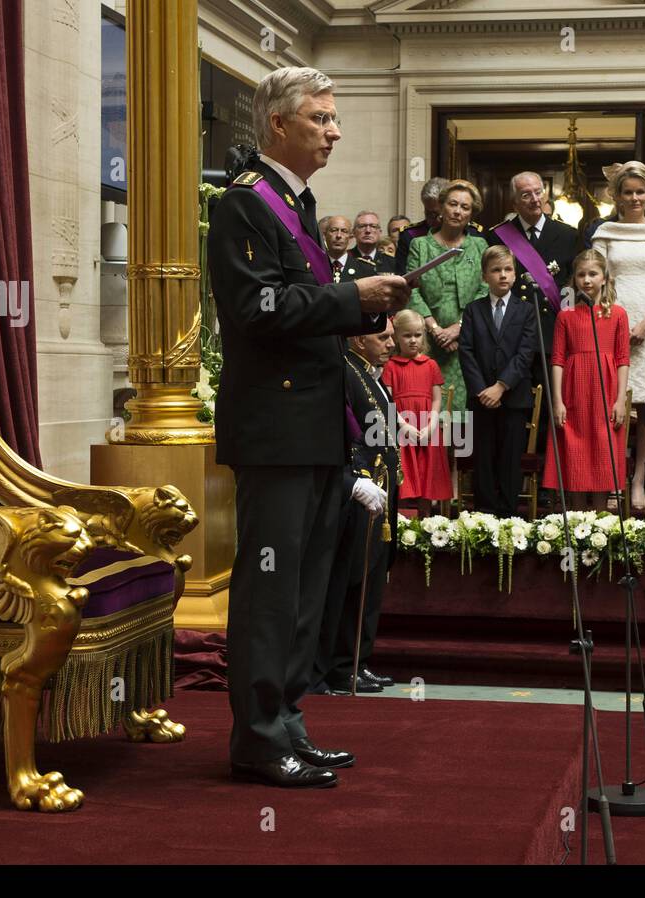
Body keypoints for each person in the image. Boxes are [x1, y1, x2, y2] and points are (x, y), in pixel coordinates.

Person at [207, 66, 410, 788]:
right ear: (278, 124)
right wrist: (346, 294)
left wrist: (368, 305)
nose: (335, 129)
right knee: (270, 589)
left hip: (319, 426)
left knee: (304, 590)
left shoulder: (294, 201)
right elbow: (256, 311)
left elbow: (307, 306)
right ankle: (258, 738)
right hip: (276, 429)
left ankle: (287, 722)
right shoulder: (244, 205)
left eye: (335, 117)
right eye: (321, 117)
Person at [314, 318, 401, 697]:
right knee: (349, 584)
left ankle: (357, 662)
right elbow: (347, 434)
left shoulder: (374, 376)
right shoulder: (346, 371)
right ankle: (338, 666)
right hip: (359, 490)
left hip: (380, 491)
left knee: (370, 580)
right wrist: (355, 480)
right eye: (383, 337)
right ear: (358, 339)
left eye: (393, 336)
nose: (391, 344)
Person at [589, 160, 645, 511]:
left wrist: (644, 324)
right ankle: (612, 477)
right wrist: (618, 323)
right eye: (628, 192)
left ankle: (638, 477)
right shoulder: (605, 233)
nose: (635, 197)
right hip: (612, 323)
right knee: (615, 403)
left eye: (641, 191)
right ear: (618, 196)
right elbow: (597, 280)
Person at [542, 249, 630, 512]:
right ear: (574, 280)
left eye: (593, 274)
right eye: (581, 274)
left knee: (603, 452)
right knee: (575, 453)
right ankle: (578, 516)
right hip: (574, 390)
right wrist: (557, 401)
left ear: (604, 278)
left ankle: (601, 520)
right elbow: (557, 359)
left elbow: (623, 358)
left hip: (605, 389)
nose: (587, 280)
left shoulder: (618, 314)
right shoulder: (565, 316)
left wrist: (620, 400)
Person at [458, 247, 539, 517]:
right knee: (484, 458)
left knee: (509, 459)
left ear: (515, 275)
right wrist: (483, 389)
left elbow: (525, 353)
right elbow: (466, 351)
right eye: (496, 270)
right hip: (481, 399)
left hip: (513, 398)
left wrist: (501, 386)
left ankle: (508, 516)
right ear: (484, 277)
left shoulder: (527, 310)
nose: (502, 275)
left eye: (507, 270)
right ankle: (484, 515)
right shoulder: (473, 310)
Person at [406, 178, 489, 410]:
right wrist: (436, 330)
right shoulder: (419, 245)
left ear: (471, 214)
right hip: (427, 341)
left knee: (463, 421)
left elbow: (485, 290)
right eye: (453, 204)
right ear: (441, 207)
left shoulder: (480, 246)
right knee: (428, 416)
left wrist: (458, 329)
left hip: (467, 343)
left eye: (465, 207)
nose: (457, 211)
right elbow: (412, 291)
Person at [487, 170, 580, 373]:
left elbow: (571, 284)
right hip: (512, 331)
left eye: (538, 192)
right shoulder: (499, 236)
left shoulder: (567, 235)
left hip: (552, 329)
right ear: (515, 203)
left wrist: (568, 320)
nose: (535, 199)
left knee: (550, 399)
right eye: (526, 195)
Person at [384, 309, 452, 514]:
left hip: (427, 429)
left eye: (417, 335)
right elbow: (387, 402)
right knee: (402, 475)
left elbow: (437, 399)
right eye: (407, 335)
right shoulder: (390, 366)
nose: (413, 340)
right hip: (401, 429)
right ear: (396, 337)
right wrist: (403, 426)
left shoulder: (431, 365)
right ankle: (401, 526)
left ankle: (426, 524)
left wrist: (432, 425)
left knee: (426, 476)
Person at [324, 215, 374, 283]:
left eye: (344, 231)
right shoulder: (315, 266)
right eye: (334, 230)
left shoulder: (365, 269)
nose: (339, 235)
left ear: (350, 238)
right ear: (325, 235)